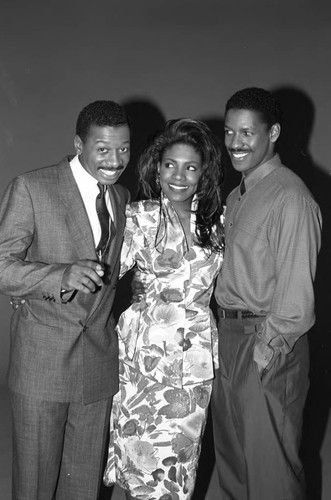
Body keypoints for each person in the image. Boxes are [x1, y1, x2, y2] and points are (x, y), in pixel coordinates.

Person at [0, 100, 131, 500]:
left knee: (84, 487)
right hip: (42, 361)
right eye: (103, 149)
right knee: (35, 486)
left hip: (97, 363)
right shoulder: (32, 187)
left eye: (124, 148)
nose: (115, 159)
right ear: (79, 144)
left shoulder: (121, 196)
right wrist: (59, 276)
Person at [103, 118, 224, 500]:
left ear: (203, 172)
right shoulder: (138, 217)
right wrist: (41, 288)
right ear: (157, 167)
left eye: (191, 167)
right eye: (171, 164)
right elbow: (102, 273)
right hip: (145, 362)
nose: (179, 175)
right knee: (137, 459)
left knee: (179, 469)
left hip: (194, 364)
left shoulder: (217, 223)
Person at [211, 87, 322, 500]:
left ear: (272, 132)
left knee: (271, 469)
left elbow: (296, 301)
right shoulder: (238, 195)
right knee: (235, 463)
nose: (235, 143)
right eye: (228, 132)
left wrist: (264, 352)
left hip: (268, 343)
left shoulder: (291, 198)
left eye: (246, 133)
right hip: (229, 338)